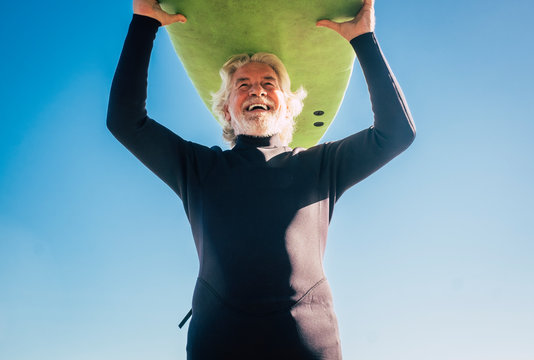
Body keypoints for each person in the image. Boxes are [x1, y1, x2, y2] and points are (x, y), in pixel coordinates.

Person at [107, 0, 416, 358]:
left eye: (268, 83)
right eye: (243, 84)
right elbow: (125, 121)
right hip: (218, 344)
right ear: (226, 108)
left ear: (287, 105)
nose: (257, 90)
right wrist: (143, 23)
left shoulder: (322, 166)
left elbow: (397, 133)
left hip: (308, 345)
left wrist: (364, 39)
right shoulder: (198, 168)